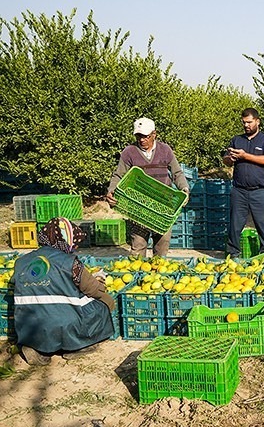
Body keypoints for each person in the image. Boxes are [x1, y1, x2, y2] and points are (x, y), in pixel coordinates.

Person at [12, 218, 116, 366]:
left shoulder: (21, 262)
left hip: (28, 323)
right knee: (105, 301)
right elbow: (94, 290)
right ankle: (77, 347)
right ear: (67, 240)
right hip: (63, 323)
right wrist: (100, 282)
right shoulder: (70, 262)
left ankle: (37, 349)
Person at [106, 117, 190, 258]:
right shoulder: (129, 152)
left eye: (145, 136)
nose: (142, 140)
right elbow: (119, 175)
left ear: (154, 134)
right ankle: (138, 270)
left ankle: (158, 270)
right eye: (138, 136)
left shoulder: (165, 150)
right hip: (139, 206)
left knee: (162, 247)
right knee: (138, 246)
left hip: (163, 206)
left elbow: (177, 173)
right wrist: (111, 191)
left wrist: (184, 189)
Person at [222, 107, 264, 257]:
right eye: (244, 122)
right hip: (239, 190)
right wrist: (230, 159)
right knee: (235, 225)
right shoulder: (237, 140)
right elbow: (226, 160)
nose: (246, 125)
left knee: (262, 224)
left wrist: (244, 156)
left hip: (259, 191)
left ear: (257, 121)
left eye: (249, 122)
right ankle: (233, 254)